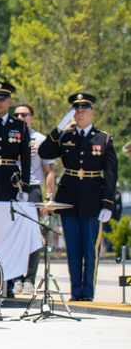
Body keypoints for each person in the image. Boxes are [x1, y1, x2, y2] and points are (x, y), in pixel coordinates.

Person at [37, 93, 118, 302]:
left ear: (92, 112)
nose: (80, 114)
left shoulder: (104, 139)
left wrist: (107, 203)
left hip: (93, 198)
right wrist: (60, 126)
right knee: (72, 248)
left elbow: (110, 173)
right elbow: (44, 150)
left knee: (90, 248)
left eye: (84, 110)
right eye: (77, 111)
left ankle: (88, 292)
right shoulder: (66, 136)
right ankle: (75, 291)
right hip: (69, 197)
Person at [13, 102, 54, 295]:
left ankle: (29, 278)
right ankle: (14, 278)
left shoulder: (40, 140)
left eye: (24, 115)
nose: (20, 118)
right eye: (17, 115)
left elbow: (49, 171)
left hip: (34, 188)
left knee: (32, 235)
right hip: (12, 188)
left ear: (32, 118)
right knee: (12, 234)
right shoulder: (9, 137)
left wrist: (48, 197)